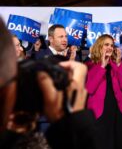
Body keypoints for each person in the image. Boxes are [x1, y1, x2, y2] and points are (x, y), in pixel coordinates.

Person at [0, 18, 99, 149]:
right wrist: (76, 124)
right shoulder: (39, 55)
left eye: (66, 36)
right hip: (41, 120)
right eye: (61, 36)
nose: (65, 39)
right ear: (51, 39)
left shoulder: (73, 56)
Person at [86, 34, 122, 149]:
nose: (110, 47)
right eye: (106, 44)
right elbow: (90, 89)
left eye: (112, 45)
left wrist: (119, 64)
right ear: (99, 46)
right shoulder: (89, 65)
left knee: (120, 143)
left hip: (118, 111)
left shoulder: (116, 64)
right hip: (100, 113)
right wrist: (102, 66)